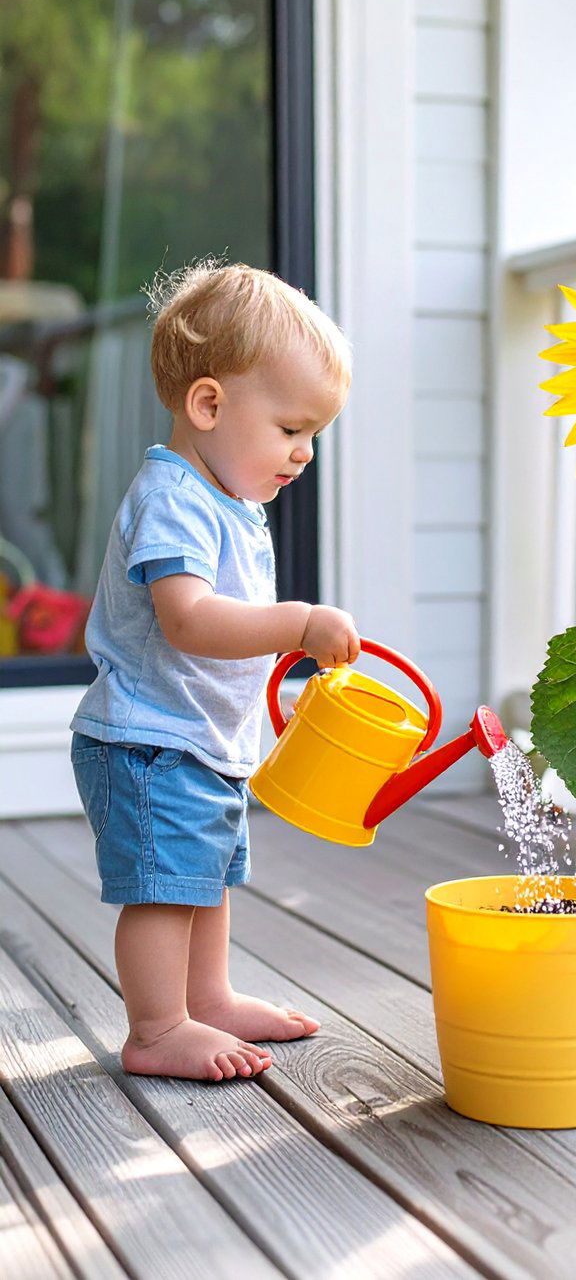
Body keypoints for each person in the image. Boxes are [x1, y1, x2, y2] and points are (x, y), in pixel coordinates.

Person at [70, 261, 360, 1083]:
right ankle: (158, 1028)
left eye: (313, 437)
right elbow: (190, 620)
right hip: (148, 743)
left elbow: (229, 643)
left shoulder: (229, 504)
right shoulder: (175, 498)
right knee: (164, 889)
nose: (303, 454)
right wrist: (300, 624)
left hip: (197, 739)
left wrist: (283, 694)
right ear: (208, 404)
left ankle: (208, 996)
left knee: (205, 877)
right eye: (292, 429)